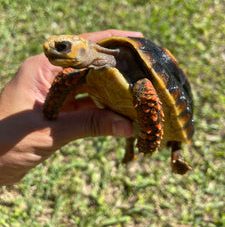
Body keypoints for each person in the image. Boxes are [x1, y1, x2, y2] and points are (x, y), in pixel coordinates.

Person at [0, 30, 143, 185]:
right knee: (65, 78)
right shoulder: (83, 70)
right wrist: (49, 110)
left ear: (84, 49)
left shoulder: (139, 76)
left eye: (62, 47)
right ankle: (131, 143)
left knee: (145, 93)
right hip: (120, 108)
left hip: (148, 109)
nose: (49, 50)